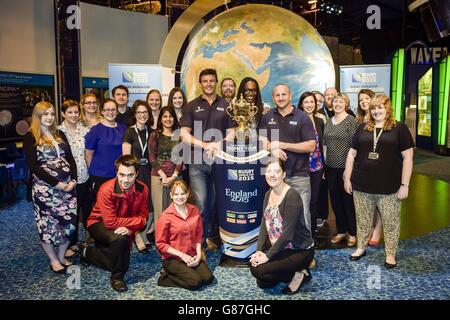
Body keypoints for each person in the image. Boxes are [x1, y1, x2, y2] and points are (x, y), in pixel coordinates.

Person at [344, 94, 414, 268]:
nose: (376, 111)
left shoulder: (400, 129)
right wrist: (347, 177)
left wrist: (405, 184)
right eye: (373, 108)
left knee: (391, 222)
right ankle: (361, 247)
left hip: (389, 187)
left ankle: (390, 254)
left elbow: (408, 158)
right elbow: (352, 154)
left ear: (387, 109)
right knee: (362, 220)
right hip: (361, 184)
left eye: (380, 107)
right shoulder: (362, 128)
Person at [179, 68, 235, 251]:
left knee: (217, 202)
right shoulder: (191, 106)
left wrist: (219, 144)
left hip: (220, 163)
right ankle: (200, 243)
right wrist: (206, 145)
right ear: (200, 83)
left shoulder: (226, 106)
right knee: (202, 203)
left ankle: (214, 236)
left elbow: (232, 133)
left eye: (212, 81)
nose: (209, 84)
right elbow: (184, 135)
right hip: (197, 163)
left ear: (216, 82)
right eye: (205, 81)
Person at [80, 155, 149, 292]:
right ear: (116, 173)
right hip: (98, 223)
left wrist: (129, 228)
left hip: (122, 225)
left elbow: (144, 216)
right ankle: (117, 276)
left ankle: (87, 252)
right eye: (121, 175)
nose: (126, 180)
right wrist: (132, 227)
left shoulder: (143, 189)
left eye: (130, 175)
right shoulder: (107, 189)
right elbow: (110, 222)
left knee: (119, 254)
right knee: (121, 243)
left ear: (137, 173)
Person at [24, 101, 77, 274]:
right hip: (45, 191)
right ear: (38, 116)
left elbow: (71, 159)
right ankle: (53, 260)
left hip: (68, 189)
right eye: (45, 114)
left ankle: (61, 257)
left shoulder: (59, 133)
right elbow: (34, 166)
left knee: (68, 224)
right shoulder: (31, 135)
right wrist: (57, 183)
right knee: (47, 226)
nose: (49, 117)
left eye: (52, 114)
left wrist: (74, 180)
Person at [250, 158, 314, 294]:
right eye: (269, 171)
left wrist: (266, 257)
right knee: (262, 280)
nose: (272, 175)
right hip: (280, 248)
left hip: (299, 250)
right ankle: (296, 271)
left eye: (276, 171)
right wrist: (259, 251)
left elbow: (287, 236)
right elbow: (264, 224)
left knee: (259, 270)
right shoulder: (268, 194)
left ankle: (299, 274)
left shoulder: (292, 196)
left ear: (284, 174)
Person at [259, 84, 316, 234]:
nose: (281, 98)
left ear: (290, 96)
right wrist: (272, 147)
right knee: (276, 216)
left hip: (299, 175)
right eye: (277, 95)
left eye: (284, 94)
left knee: (303, 215)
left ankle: (306, 250)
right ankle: (280, 249)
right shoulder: (267, 117)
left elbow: (311, 146)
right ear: (273, 98)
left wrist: (283, 144)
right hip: (275, 177)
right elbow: (261, 142)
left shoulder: (302, 117)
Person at [156, 180, 214, 290]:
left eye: (183, 193)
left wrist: (198, 255)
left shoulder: (194, 210)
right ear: (171, 195)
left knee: (208, 278)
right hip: (173, 258)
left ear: (187, 194)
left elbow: (198, 235)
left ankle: (186, 272)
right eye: (176, 194)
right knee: (195, 282)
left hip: (191, 254)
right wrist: (182, 255)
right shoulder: (166, 216)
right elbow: (160, 244)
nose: (180, 197)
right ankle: (166, 276)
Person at [323, 93, 358, 246]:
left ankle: (352, 233)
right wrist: (324, 166)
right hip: (330, 168)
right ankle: (341, 230)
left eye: (341, 101)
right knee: (336, 202)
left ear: (346, 104)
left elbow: (355, 146)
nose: (337, 104)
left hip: (346, 168)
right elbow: (325, 145)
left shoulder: (351, 121)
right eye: (335, 101)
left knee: (348, 202)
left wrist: (349, 170)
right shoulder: (328, 122)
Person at [58, 99, 90, 258]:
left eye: (76, 112)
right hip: (66, 180)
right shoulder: (56, 132)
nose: (73, 115)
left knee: (83, 211)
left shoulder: (84, 130)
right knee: (70, 213)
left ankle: (81, 241)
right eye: (69, 112)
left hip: (84, 177)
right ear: (63, 113)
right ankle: (69, 243)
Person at [122, 100, 153, 253]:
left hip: (150, 172)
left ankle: (144, 233)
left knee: (150, 206)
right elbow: (125, 157)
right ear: (134, 114)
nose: (142, 115)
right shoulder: (129, 132)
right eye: (139, 112)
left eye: (145, 112)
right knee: (137, 206)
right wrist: (129, 176)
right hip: (135, 174)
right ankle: (138, 237)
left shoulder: (152, 131)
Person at [85, 99, 127, 208]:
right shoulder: (95, 130)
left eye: (113, 109)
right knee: (101, 207)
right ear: (102, 112)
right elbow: (89, 153)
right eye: (107, 109)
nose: (110, 112)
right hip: (99, 175)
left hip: (119, 175)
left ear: (117, 112)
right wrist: (92, 172)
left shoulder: (123, 129)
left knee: (118, 206)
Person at [356, 89, 382, 246]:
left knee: (380, 199)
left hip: (379, 166)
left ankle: (378, 229)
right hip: (362, 165)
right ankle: (368, 227)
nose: (364, 102)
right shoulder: (358, 120)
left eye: (367, 98)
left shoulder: (382, 118)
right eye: (360, 100)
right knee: (366, 200)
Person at [297, 92, 325, 236]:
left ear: (316, 104)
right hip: (300, 168)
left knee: (314, 201)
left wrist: (324, 166)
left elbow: (321, 145)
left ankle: (311, 232)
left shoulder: (320, 121)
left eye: (312, 102)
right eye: (306, 102)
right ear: (301, 104)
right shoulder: (297, 119)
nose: (309, 105)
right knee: (301, 201)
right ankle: (300, 232)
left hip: (317, 167)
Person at [149, 106, 183, 223]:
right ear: (161, 119)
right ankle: (161, 241)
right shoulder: (155, 135)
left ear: (174, 118)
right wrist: (163, 175)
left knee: (176, 211)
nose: (168, 119)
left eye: (170, 116)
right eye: (165, 116)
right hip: (158, 177)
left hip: (175, 177)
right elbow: (152, 157)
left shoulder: (178, 135)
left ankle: (174, 239)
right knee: (160, 213)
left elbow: (181, 158)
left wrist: (174, 176)